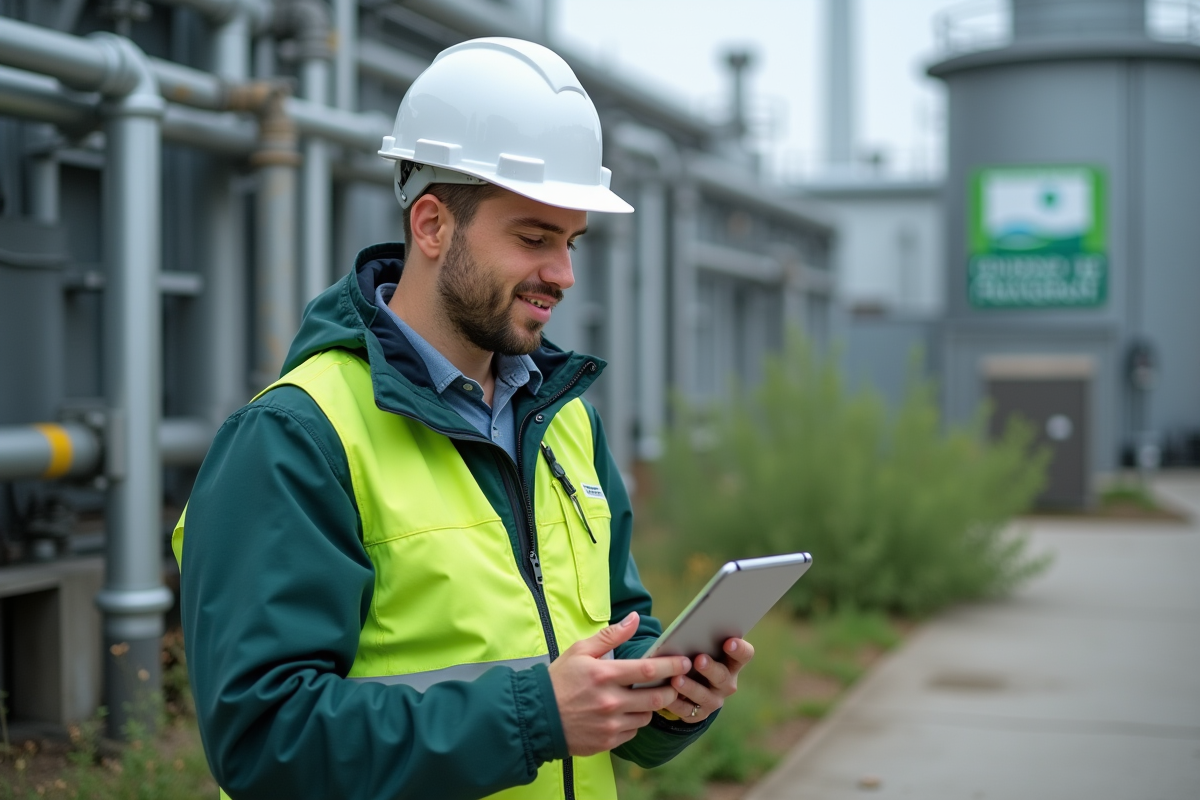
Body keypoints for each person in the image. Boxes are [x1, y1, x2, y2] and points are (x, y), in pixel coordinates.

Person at [173, 37, 755, 799]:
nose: (565, 274)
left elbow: (617, 625)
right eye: (533, 237)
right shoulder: (296, 438)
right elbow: (265, 742)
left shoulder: (566, 422)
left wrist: (669, 694)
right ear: (431, 225)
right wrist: (535, 716)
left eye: (572, 241)